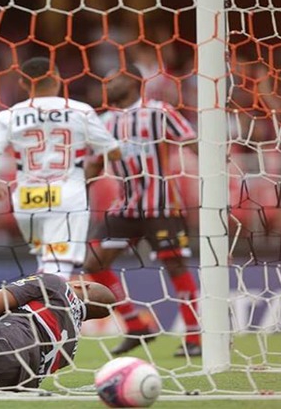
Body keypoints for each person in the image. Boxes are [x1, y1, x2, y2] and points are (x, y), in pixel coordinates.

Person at [83, 64, 202, 357]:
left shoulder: (160, 112)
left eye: (114, 78)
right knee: (94, 262)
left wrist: (217, 172)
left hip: (162, 204)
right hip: (125, 206)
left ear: (133, 81)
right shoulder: (104, 121)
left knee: (174, 266)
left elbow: (193, 141)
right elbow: (96, 164)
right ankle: (137, 325)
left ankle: (196, 338)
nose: (107, 82)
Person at [0, 57, 121, 280]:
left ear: (23, 84)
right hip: (67, 194)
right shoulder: (79, 111)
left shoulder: (8, 115)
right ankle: (41, 312)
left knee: (45, 261)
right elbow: (113, 151)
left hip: (27, 198)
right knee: (58, 268)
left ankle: (44, 310)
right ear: (57, 78)